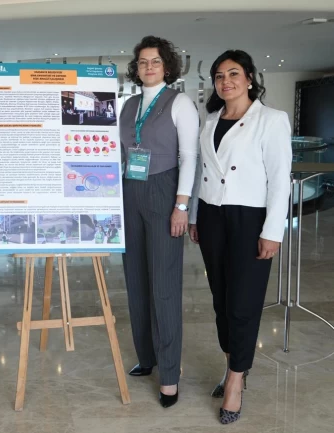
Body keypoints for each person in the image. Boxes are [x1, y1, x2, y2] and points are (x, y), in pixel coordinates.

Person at [188, 50, 291, 424]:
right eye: (219, 76)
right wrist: (195, 216)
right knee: (221, 300)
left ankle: (235, 381)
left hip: (250, 218)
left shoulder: (271, 120)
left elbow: (279, 180)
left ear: (249, 78)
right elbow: (201, 171)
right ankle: (233, 363)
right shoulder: (210, 120)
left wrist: (272, 231)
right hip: (212, 215)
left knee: (243, 303)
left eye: (233, 73)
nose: (225, 81)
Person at [120, 35, 199, 408]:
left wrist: (182, 205)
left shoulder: (179, 102)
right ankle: (147, 357)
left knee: (164, 286)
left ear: (167, 66)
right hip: (129, 190)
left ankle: (169, 375)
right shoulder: (128, 105)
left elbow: (190, 156)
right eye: (142, 62)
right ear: (135, 68)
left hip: (165, 191)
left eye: (155, 61)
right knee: (136, 280)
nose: (148, 67)